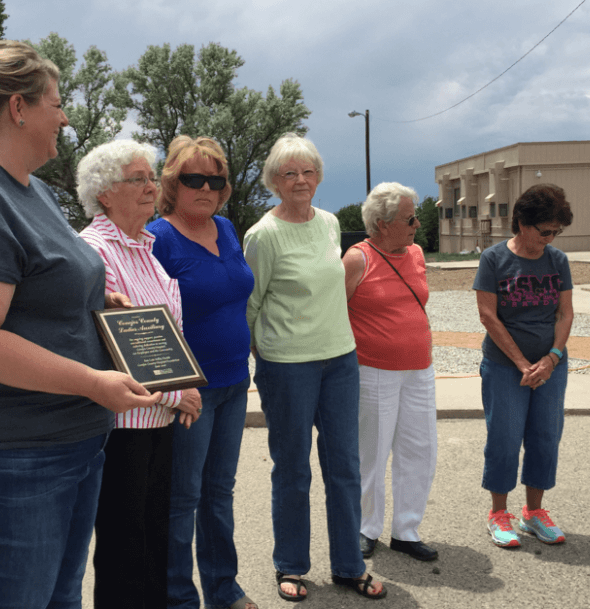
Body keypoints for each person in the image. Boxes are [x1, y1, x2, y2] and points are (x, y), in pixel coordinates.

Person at [0, 40, 160, 608]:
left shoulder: (34, 191)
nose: (67, 116)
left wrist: (101, 300)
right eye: (57, 102)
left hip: (64, 443)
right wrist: (95, 383)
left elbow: (39, 286)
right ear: (19, 108)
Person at [244, 133, 386, 601]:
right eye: (289, 173)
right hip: (287, 366)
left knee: (345, 464)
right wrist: (264, 358)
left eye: (307, 172)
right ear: (273, 181)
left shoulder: (328, 223)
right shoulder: (262, 235)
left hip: (340, 359)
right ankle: (291, 564)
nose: (300, 180)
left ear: (319, 177)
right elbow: (252, 304)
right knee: (292, 468)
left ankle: (349, 563)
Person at [77, 139, 203, 609]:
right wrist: (179, 396)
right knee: (123, 552)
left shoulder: (146, 250)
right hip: (122, 427)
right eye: (138, 179)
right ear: (104, 193)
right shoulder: (93, 253)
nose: (152, 186)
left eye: (152, 177)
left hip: (159, 422)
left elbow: (167, 333)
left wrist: (185, 387)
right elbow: (116, 344)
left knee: (155, 543)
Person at [146, 136, 257, 609]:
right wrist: (176, 385)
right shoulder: (158, 237)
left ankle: (223, 589)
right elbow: (148, 324)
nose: (206, 188)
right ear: (172, 182)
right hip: (192, 391)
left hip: (234, 382)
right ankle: (177, 598)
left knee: (219, 493)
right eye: (194, 178)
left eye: (216, 179)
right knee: (182, 500)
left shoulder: (227, 229)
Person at [473, 183, 574, 548]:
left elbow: (565, 313)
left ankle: (534, 513)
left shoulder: (557, 260)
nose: (548, 238)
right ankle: (499, 513)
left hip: (550, 366)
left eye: (555, 232)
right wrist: (521, 364)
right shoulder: (494, 259)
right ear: (522, 223)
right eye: (544, 230)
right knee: (504, 437)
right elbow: (488, 315)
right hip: (504, 366)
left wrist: (551, 358)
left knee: (545, 437)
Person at [342, 182, 438, 562]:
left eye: (416, 216)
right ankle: (367, 529)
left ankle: (406, 530)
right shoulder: (357, 259)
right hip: (373, 370)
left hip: (420, 370)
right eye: (410, 217)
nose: (417, 223)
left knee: (420, 449)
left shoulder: (415, 253)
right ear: (382, 224)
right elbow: (335, 310)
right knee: (372, 452)